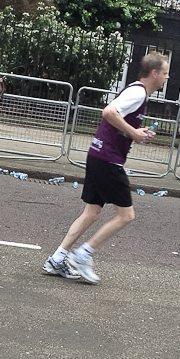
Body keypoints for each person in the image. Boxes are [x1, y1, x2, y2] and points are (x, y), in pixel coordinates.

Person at [43, 52, 169, 283]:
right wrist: (133, 132)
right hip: (108, 160)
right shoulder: (138, 92)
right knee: (126, 215)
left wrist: (136, 134)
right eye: (165, 73)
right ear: (154, 73)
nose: (167, 77)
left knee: (92, 212)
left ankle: (57, 258)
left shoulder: (137, 92)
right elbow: (109, 112)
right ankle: (84, 254)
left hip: (98, 155)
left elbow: (116, 117)